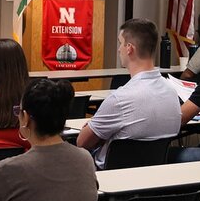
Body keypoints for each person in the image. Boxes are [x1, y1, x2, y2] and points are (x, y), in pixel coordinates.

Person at [77, 18, 181, 169]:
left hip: (109, 178)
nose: (119, 49)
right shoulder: (172, 93)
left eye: (120, 43)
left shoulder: (120, 99)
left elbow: (82, 142)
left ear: (129, 48)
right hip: (155, 178)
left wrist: (100, 132)